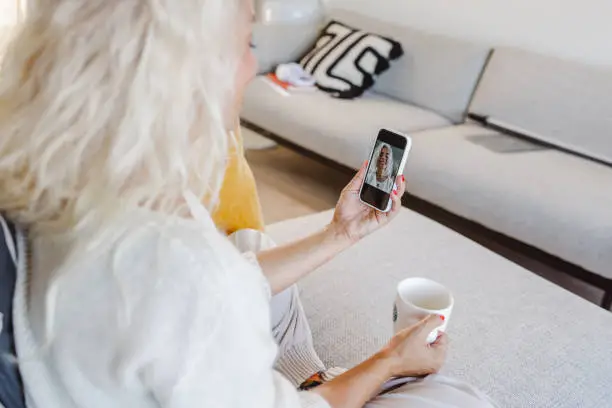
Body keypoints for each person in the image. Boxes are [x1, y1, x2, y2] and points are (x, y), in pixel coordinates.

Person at [0, 1, 495, 408]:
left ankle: (304, 374)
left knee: (249, 245)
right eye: (246, 44)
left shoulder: (59, 185)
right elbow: (198, 285)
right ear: (185, 76)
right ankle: (315, 380)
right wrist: (390, 360)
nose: (254, 65)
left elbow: (221, 280)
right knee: (458, 399)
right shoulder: (181, 267)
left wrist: (340, 233)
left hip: (112, 364)